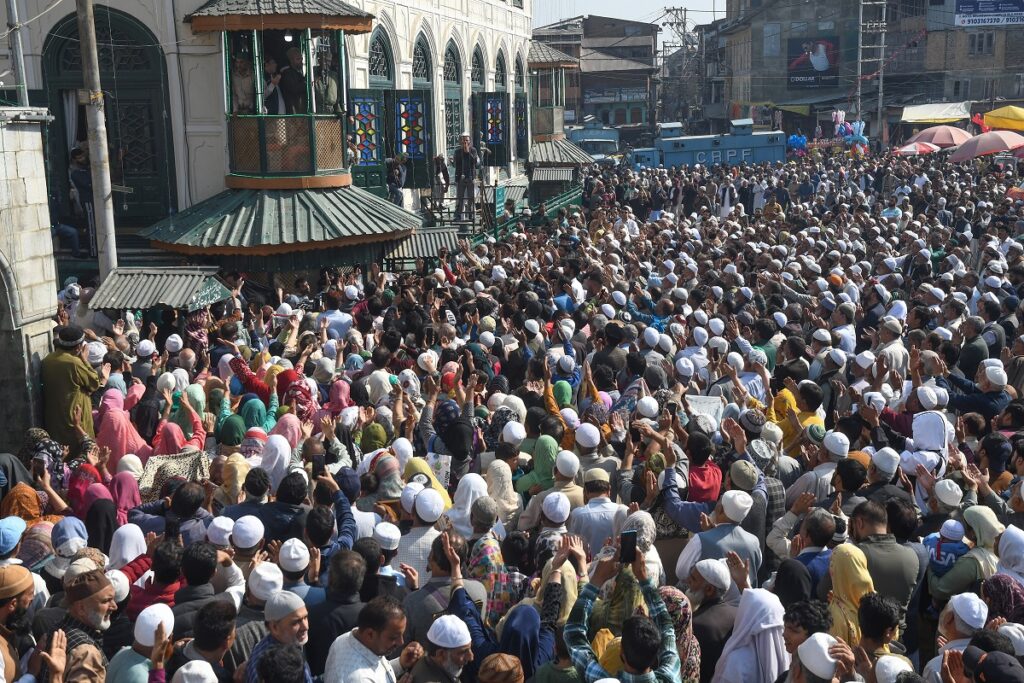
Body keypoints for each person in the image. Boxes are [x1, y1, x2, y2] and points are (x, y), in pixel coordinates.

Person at [322, 596, 424, 683]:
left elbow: (374, 670)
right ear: (370, 634)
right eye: (393, 637)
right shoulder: (360, 679)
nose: (401, 642)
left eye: (402, 635)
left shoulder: (345, 639)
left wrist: (400, 663)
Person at [453, 134, 478, 221]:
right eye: (464, 140)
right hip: (461, 177)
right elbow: (456, 163)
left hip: (471, 177)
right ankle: (459, 214)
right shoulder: (457, 151)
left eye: (467, 140)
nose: (465, 142)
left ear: (469, 141)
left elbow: (474, 161)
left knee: (471, 197)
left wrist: (468, 153)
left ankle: (470, 213)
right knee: (460, 197)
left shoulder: (473, 150)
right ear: (460, 142)